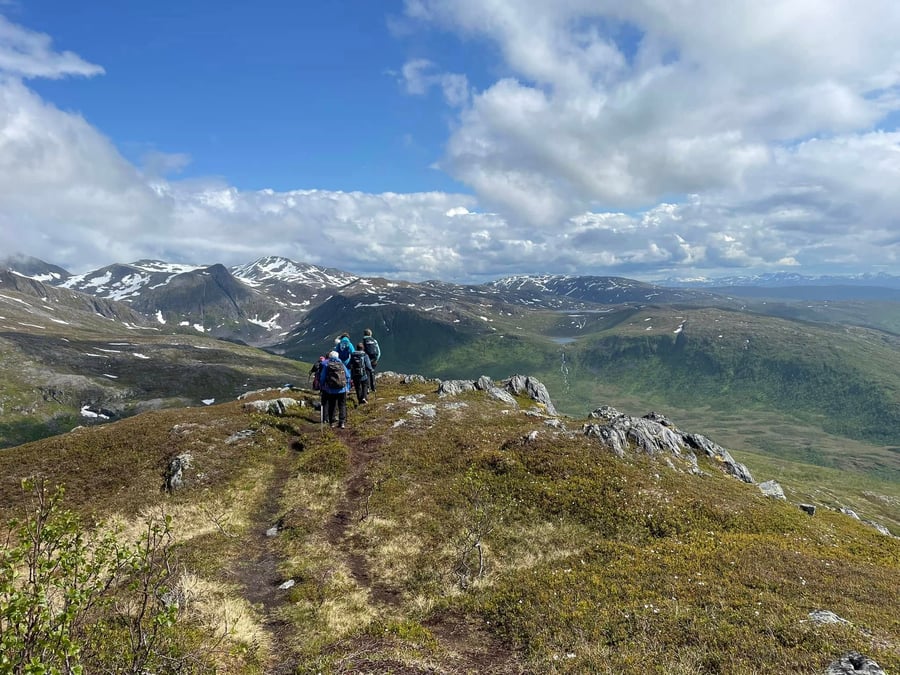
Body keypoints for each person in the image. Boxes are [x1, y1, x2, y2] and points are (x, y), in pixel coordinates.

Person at [319, 350, 351, 428]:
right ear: (338, 356)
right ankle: (342, 422)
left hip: (331, 389)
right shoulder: (342, 364)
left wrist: (322, 385)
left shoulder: (327, 365)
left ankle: (331, 422)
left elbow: (322, 377)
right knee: (342, 405)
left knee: (332, 405)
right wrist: (347, 386)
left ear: (330, 357)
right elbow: (348, 375)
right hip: (342, 389)